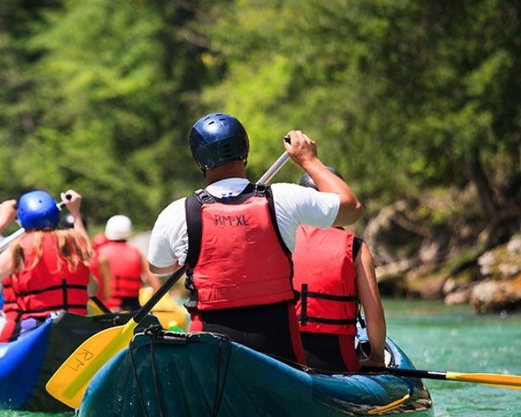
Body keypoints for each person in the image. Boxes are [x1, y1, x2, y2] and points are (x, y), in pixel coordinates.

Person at [147, 113, 363, 363]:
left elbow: (158, 267)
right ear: (244, 149)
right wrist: (309, 161)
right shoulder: (284, 198)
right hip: (278, 347)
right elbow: (352, 208)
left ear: (199, 161)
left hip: (210, 348)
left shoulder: (177, 214)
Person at [0, 190, 110, 342]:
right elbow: (92, 289)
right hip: (77, 328)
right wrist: (76, 213)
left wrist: (1, 220)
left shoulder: (18, 250)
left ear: (22, 220)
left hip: (36, 331)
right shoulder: (75, 245)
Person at [292, 169, 386, 371]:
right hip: (336, 360)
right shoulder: (356, 248)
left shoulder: (281, 238)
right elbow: (374, 315)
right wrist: (377, 357)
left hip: (284, 356)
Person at [95, 215, 160, 311]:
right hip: (132, 308)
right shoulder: (137, 253)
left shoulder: (100, 252)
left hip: (106, 308)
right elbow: (156, 286)